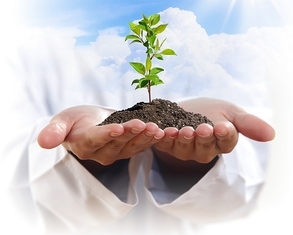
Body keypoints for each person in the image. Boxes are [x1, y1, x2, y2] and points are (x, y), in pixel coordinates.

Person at [1, 34, 275, 235]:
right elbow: (11, 169)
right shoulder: (26, 49)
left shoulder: (237, 48)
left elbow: (255, 179)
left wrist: (187, 163)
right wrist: (81, 157)